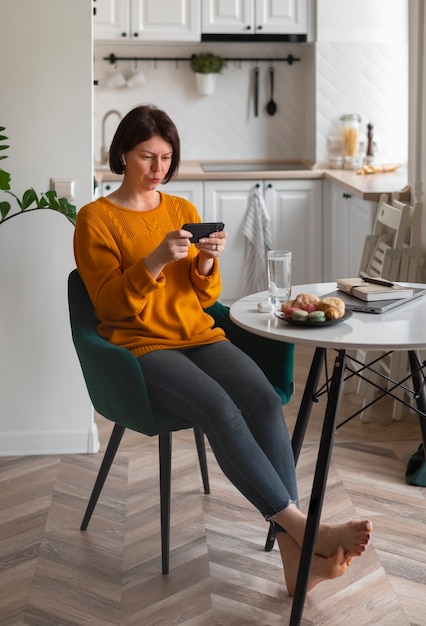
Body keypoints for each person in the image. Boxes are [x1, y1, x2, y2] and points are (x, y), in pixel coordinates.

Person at [74, 104, 372, 596]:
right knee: (218, 406)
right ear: (122, 154)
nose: (158, 169)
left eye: (166, 158)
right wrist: (151, 262)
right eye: (147, 157)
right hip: (141, 347)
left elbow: (204, 298)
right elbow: (108, 305)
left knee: (259, 397)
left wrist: (207, 263)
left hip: (198, 335)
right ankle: (305, 528)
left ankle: (294, 553)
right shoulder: (96, 219)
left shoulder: (181, 211)